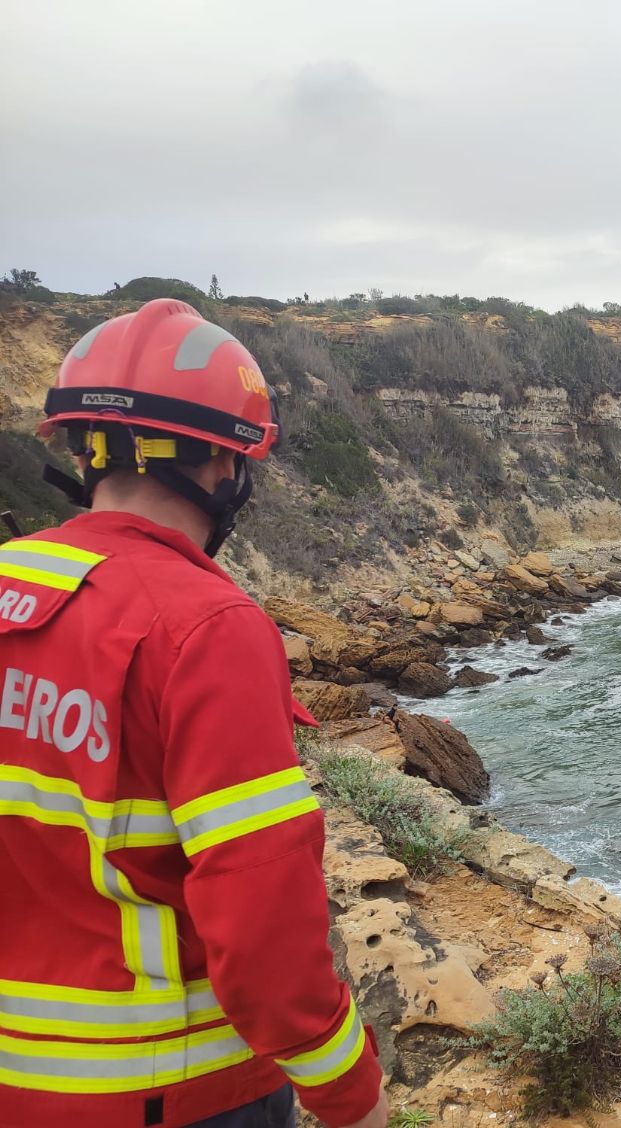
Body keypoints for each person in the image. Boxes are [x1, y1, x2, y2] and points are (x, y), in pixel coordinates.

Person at [0, 300, 387, 1128]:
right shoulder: (205, 626)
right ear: (224, 465)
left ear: (79, 448)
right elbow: (261, 916)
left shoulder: (10, 581)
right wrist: (348, 1092)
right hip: (167, 1089)